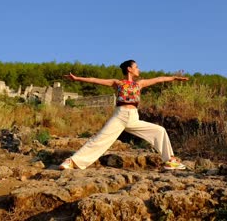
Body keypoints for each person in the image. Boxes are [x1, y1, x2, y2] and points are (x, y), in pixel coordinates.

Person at [59, 59, 189, 170]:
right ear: (129, 69)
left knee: (159, 131)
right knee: (99, 139)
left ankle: (170, 160)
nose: (139, 69)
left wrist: (174, 78)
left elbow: (158, 79)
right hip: (119, 116)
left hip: (133, 118)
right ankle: (72, 161)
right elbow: (95, 80)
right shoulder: (118, 83)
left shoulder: (139, 84)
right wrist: (76, 78)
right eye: (136, 67)